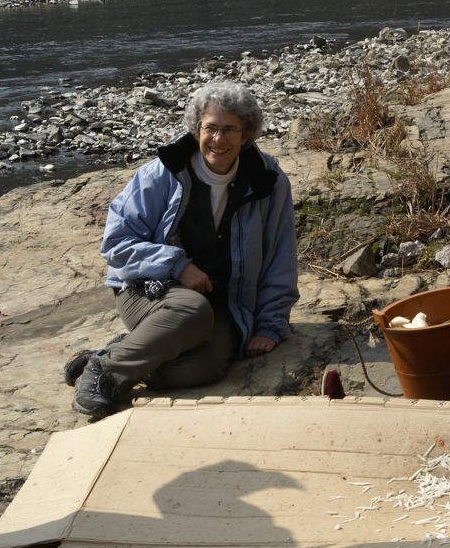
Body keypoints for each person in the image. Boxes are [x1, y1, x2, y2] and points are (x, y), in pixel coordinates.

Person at [70, 80, 299, 419]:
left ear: (246, 135)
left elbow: (281, 255)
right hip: (148, 289)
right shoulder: (161, 173)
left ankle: (124, 352)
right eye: (210, 128)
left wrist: (270, 325)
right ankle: (104, 373)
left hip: (224, 300)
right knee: (192, 311)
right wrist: (177, 266)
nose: (218, 139)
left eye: (229, 130)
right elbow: (116, 243)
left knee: (206, 367)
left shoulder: (268, 180)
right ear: (196, 128)